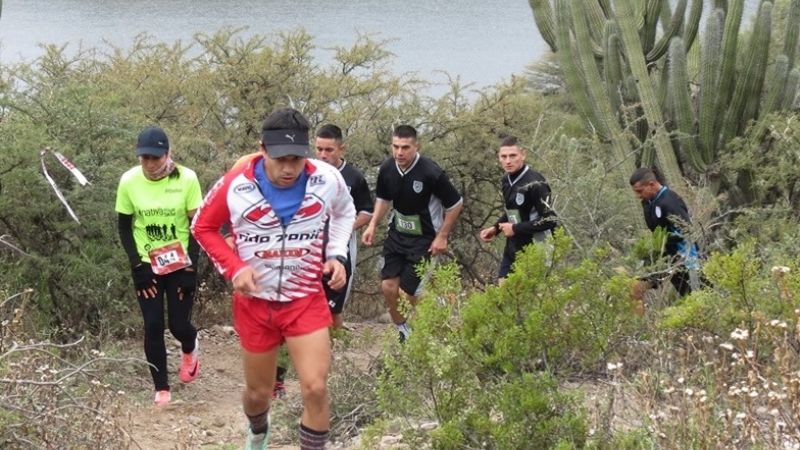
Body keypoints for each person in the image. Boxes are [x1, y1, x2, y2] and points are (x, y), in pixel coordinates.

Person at [191, 107, 355, 450]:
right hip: (256, 304)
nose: (289, 168)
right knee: (258, 393)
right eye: (281, 159)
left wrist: (335, 254)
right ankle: (257, 431)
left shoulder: (326, 179)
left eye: (297, 158)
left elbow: (345, 211)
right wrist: (234, 267)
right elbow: (202, 227)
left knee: (315, 387)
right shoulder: (237, 184)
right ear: (262, 149)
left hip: (304, 299)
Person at [115, 126, 202, 407]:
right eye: (144, 158)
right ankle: (161, 388)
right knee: (153, 324)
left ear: (167, 154)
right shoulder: (129, 181)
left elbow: (196, 226)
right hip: (147, 263)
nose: (150, 164)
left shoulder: (187, 179)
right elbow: (125, 228)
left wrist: (191, 269)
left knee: (178, 325)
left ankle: (190, 346)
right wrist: (136, 266)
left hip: (179, 262)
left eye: (155, 158)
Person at [362, 125, 463, 342]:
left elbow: (455, 204)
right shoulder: (388, 168)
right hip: (397, 235)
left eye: (405, 147)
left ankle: (438, 307)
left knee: (407, 294)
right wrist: (372, 224)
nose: (400, 152)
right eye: (396, 147)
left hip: (424, 240)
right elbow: (383, 198)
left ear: (416, 146)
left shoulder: (431, 172)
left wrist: (442, 236)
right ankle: (404, 331)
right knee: (388, 287)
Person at [314, 124, 374, 329]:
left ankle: (338, 351)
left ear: (341, 149)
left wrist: (346, 228)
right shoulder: (308, 172)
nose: (323, 155)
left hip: (341, 249)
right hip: (311, 248)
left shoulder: (354, 177)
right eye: (319, 149)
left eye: (328, 150)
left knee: (333, 308)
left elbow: (367, 211)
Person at [479, 136, 558, 279]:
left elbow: (550, 219)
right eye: (503, 156)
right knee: (505, 291)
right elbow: (513, 211)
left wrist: (515, 228)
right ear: (499, 158)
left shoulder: (536, 183)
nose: (508, 161)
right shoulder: (506, 181)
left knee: (531, 297)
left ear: (523, 155)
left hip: (537, 247)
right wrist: (495, 229)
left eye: (512, 155)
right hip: (513, 247)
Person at [629, 167, 700, 302]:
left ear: (651, 185)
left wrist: (692, 265)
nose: (638, 195)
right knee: (636, 288)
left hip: (684, 259)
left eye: (640, 191)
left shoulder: (670, 202)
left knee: (695, 296)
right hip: (665, 258)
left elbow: (686, 232)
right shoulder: (647, 203)